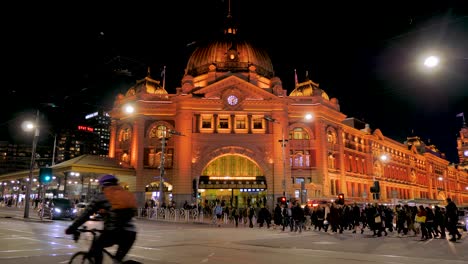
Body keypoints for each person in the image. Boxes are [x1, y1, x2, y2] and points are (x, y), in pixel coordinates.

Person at [64, 174, 138, 264]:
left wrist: (72, 228)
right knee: (117, 261)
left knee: (96, 247)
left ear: (102, 185)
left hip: (114, 232)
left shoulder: (102, 196)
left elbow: (85, 214)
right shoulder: (126, 193)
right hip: (131, 233)